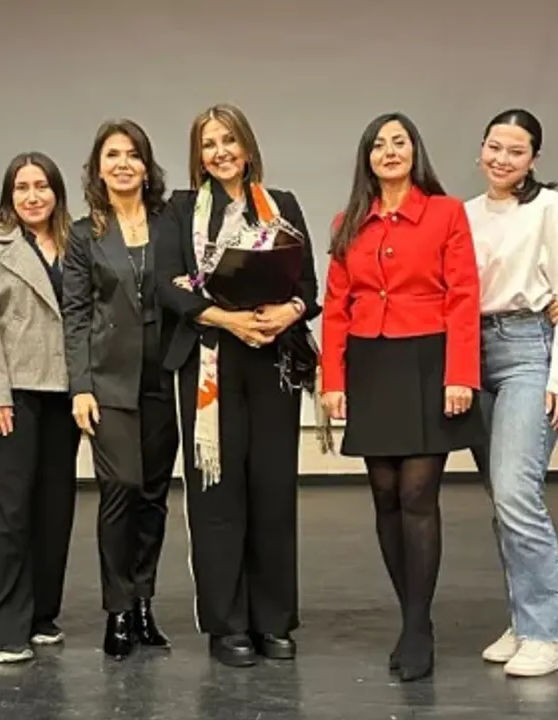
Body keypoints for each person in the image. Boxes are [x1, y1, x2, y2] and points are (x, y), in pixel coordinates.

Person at [319, 111, 483, 682]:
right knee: (385, 494)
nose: (390, 151)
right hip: (370, 362)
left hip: (428, 360)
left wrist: (460, 374)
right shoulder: (347, 222)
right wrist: (332, 381)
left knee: (417, 493)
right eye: (379, 144)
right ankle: (410, 613)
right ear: (367, 158)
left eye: (400, 142)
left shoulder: (446, 212)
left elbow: (464, 296)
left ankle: (418, 626)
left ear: (415, 152)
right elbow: (336, 307)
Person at [155, 103, 320, 668]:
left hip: (272, 359)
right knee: (217, 492)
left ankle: (274, 620)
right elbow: (167, 286)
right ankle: (227, 625)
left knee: (272, 490)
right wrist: (229, 320)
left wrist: (289, 311)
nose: (220, 151)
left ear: (247, 147)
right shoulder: (179, 211)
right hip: (210, 359)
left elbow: (308, 286)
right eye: (209, 143)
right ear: (198, 156)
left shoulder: (283, 205)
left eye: (229, 140)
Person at [463, 109, 558, 677]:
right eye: (495, 147)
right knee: (502, 499)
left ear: (533, 159)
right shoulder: (465, 214)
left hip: (527, 349)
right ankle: (524, 619)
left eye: (516, 151)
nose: (502, 159)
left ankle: (549, 632)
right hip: (474, 352)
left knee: (517, 492)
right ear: (481, 149)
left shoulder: (550, 208)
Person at [0, 151, 81, 664]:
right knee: (4, 514)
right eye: (22, 187)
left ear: (56, 192)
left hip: (62, 393)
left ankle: (40, 615)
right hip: (10, 395)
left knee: (53, 509)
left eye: (42, 186)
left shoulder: (75, 242)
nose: (33, 196)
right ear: (9, 194)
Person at [62, 120, 178, 659]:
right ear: (98, 168)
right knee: (121, 487)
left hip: (164, 375)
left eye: (133, 154)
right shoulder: (84, 235)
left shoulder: (169, 224)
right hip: (108, 379)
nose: (124, 164)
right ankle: (117, 608)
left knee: (154, 494)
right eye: (113, 155)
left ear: (146, 166)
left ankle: (144, 604)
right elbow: (75, 314)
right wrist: (80, 386)